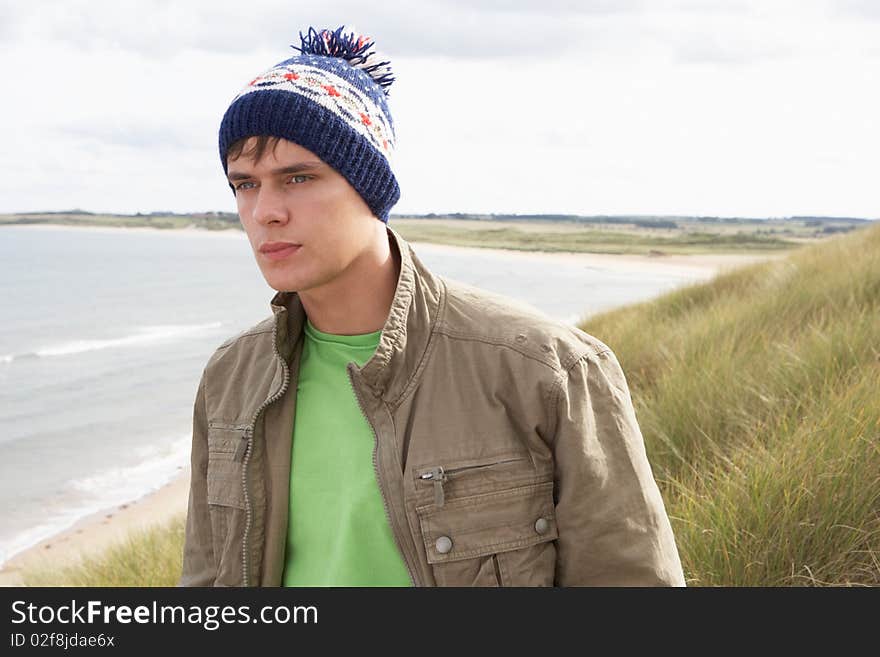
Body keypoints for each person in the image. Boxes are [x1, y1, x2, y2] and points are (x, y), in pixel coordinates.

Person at [179, 25, 686, 587]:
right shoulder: (231, 378)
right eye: (244, 185)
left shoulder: (548, 371)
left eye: (298, 177)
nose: (265, 211)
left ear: (369, 188)